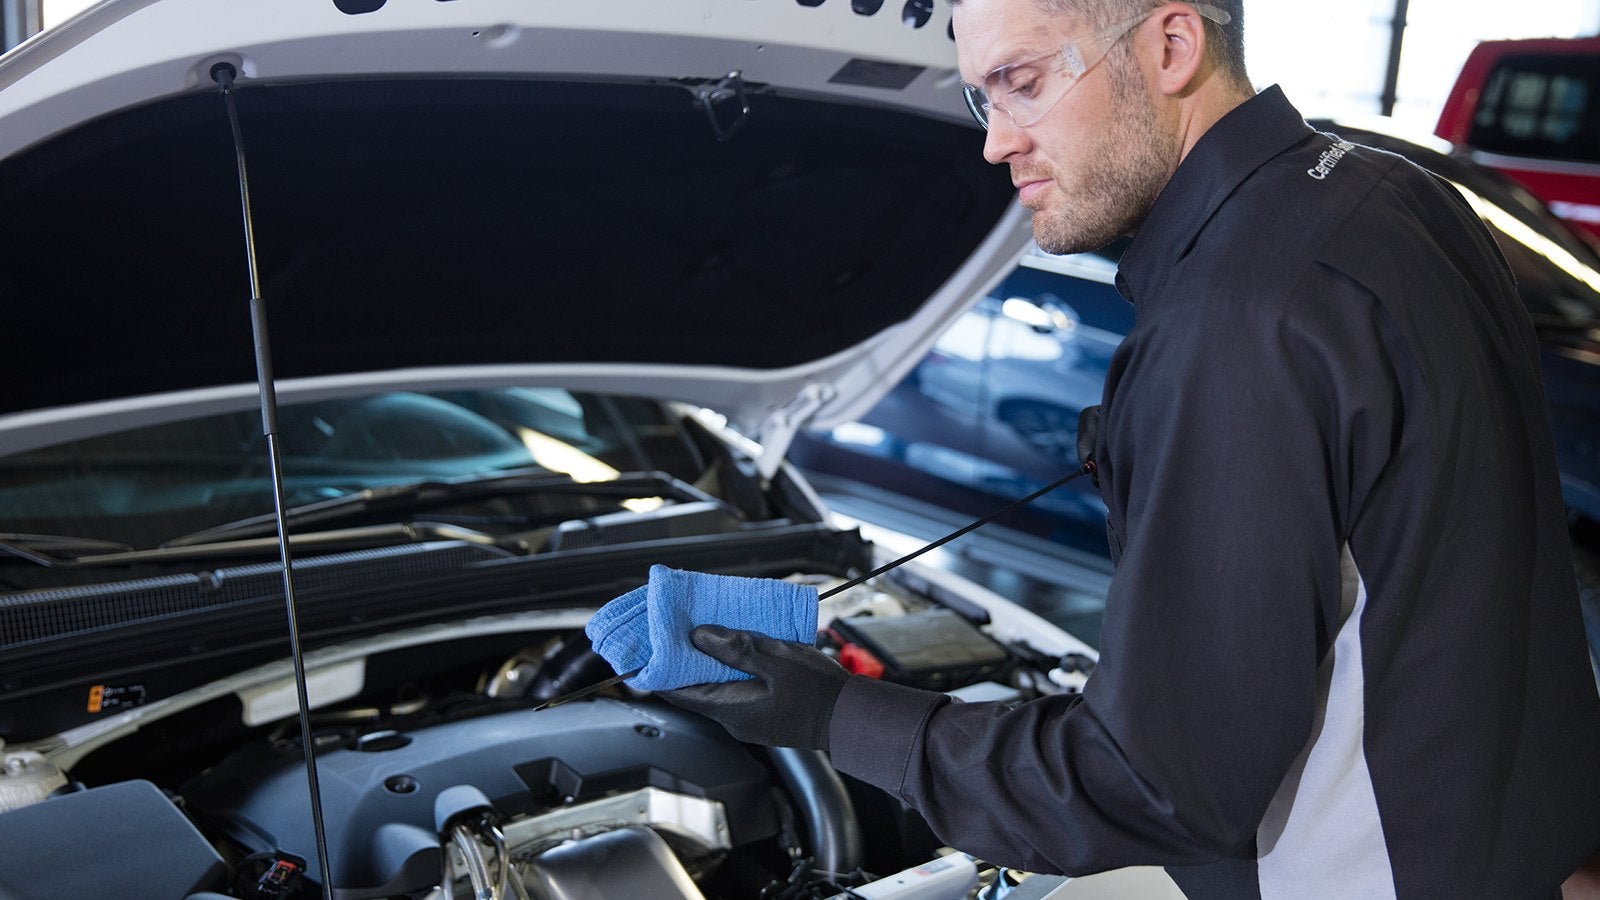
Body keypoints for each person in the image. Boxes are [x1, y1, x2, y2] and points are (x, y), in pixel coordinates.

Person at [661, 1, 1600, 895]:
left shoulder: (1236, 319)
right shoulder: (1401, 196)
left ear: (1171, 47)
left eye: (1021, 80)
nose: (995, 139)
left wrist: (834, 713)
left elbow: (1156, 784)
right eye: (982, 96)